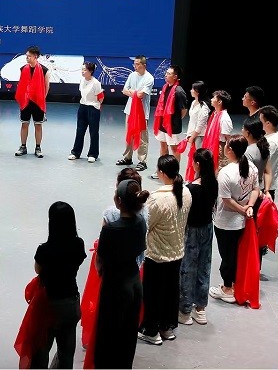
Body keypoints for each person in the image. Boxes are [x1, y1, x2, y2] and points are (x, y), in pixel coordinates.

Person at [92, 179, 148, 369]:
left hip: (115, 285)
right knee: (127, 335)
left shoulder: (110, 230)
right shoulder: (141, 222)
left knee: (108, 335)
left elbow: (100, 262)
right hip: (134, 281)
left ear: (119, 201)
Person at [138, 155, 192, 345]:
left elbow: (147, 224)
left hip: (157, 254)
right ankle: (167, 327)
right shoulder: (186, 192)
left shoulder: (157, 199)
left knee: (153, 293)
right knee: (171, 291)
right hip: (177, 251)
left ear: (161, 173)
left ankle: (151, 330)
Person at [31, 202, 86, 368]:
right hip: (70, 302)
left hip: (48, 304)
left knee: (41, 350)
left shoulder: (44, 250)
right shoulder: (78, 244)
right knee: (66, 352)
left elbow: (38, 270)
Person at [209, 136, 260, 304]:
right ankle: (235, 285)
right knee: (236, 254)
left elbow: (226, 199)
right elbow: (256, 189)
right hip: (243, 221)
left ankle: (227, 289)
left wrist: (242, 209)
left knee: (227, 256)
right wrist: (249, 207)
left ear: (230, 150)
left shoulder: (225, 172)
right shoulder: (252, 167)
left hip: (226, 222)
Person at [178, 148, 217, 326]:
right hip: (208, 227)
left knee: (188, 268)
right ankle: (200, 308)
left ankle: (185, 310)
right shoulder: (213, 183)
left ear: (198, 164)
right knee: (204, 267)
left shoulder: (191, 188)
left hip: (192, 230)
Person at [116, 55, 154, 172]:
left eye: (137, 64)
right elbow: (124, 90)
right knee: (129, 134)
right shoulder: (132, 75)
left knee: (142, 137)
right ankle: (128, 157)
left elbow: (141, 95)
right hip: (130, 110)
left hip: (142, 112)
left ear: (144, 65)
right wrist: (135, 92)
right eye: (134, 64)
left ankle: (142, 161)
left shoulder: (149, 78)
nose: (135, 66)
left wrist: (132, 92)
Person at [151, 65, 188, 177]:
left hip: (173, 126)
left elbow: (184, 110)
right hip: (162, 123)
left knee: (174, 149)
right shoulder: (165, 87)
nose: (166, 75)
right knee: (163, 146)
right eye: (166, 73)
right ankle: (162, 169)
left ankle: (174, 173)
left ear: (175, 76)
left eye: (168, 73)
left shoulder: (179, 91)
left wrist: (175, 120)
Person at [14, 46, 50, 158]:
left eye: (29, 56)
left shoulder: (44, 70)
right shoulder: (23, 69)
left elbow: (46, 86)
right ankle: (23, 147)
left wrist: (41, 98)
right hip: (26, 101)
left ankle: (38, 148)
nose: (27, 58)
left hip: (38, 102)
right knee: (24, 124)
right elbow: (21, 84)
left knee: (38, 125)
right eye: (26, 56)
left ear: (35, 57)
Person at [69, 62, 103, 163]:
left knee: (93, 132)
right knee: (80, 130)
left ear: (90, 71)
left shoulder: (96, 83)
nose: (83, 72)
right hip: (82, 107)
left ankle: (93, 154)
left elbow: (101, 98)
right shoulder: (82, 81)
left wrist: (95, 106)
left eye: (85, 70)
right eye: (82, 69)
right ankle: (75, 152)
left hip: (93, 108)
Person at [203, 90, 233, 172]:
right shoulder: (215, 114)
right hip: (212, 144)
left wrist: (226, 153)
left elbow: (228, 138)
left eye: (213, 98)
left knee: (219, 170)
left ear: (219, 102)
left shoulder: (224, 118)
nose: (211, 99)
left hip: (220, 147)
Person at [258, 105, 278, 201]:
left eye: (260, 121)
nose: (258, 122)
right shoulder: (270, 135)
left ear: (268, 123)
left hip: (265, 186)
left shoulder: (271, 142)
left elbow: (262, 164)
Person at [183, 81, 210, 153]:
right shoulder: (193, 102)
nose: (190, 91)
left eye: (192, 89)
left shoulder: (203, 106)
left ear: (197, 92)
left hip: (200, 136)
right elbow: (192, 121)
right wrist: (189, 134)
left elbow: (200, 125)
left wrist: (192, 137)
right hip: (193, 134)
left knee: (200, 155)